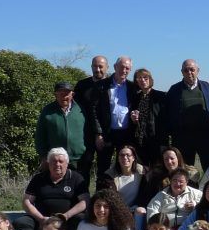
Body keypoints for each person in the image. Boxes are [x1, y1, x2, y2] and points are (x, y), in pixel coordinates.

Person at [13, 148, 89, 230]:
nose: (57, 164)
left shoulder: (76, 178)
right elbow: (26, 202)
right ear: (48, 163)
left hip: (68, 219)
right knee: (21, 223)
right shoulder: (38, 178)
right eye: (54, 161)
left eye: (61, 161)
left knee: (81, 220)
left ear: (67, 163)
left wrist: (66, 216)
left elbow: (85, 201)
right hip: (42, 218)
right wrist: (41, 219)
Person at [165, 59, 209, 170]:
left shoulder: (206, 87)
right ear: (182, 72)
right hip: (183, 138)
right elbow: (167, 112)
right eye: (186, 70)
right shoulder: (174, 90)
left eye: (192, 69)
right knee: (186, 169)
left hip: (205, 136)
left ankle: (208, 182)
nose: (189, 72)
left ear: (198, 70)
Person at [92, 55, 138, 176]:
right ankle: (102, 188)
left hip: (126, 134)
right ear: (115, 67)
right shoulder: (102, 86)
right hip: (107, 133)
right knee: (103, 167)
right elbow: (94, 111)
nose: (124, 70)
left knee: (124, 167)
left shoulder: (133, 87)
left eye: (127, 68)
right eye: (121, 67)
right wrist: (98, 133)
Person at [73, 55, 108, 185]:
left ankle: (101, 196)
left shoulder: (111, 85)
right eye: (95, 66)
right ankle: (82, 195)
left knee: (104, 169)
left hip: (106, 134)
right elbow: (74, 108)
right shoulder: (82, 85)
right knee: (83, 168)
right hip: (84, 133)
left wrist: (100, 133)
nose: (97, 69)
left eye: (101, 66)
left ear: (107, 67)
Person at [35, 81, 87, 169]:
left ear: (72, 94)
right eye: (61, 94)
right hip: (56, 160)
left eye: (67, 94)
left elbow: (88, 132)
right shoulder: (47, 111)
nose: (64, 97)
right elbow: (40, 135)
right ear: (56, 95)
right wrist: (44, 156)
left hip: (79, 160)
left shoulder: (80, 110)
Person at [129, 67, 165, 168]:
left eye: (145, 77)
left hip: (156, 140)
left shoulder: (161, 96)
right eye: (139, 78)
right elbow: (132, 120)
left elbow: (165, 119)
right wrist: (133, 119)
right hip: (139, 140)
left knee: (157, 169)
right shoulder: (135, 98)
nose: (142, 80)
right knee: (142, 170)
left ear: (150, 79)